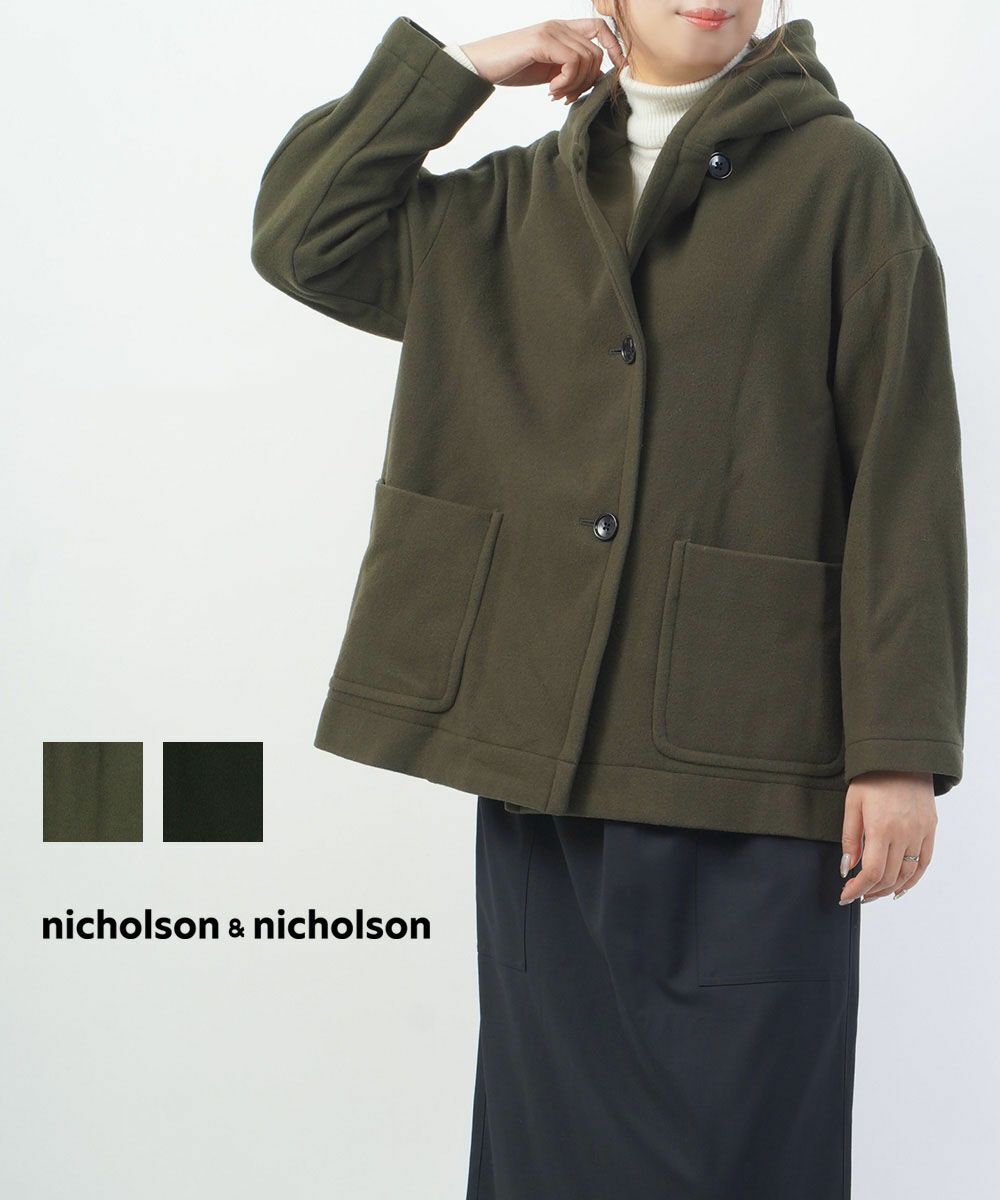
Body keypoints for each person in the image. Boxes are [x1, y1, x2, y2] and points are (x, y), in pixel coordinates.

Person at [250, 4, 968, 1196]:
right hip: (546, 760)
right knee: (550, 1156)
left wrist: (898, 752)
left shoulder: (843, 179)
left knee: (748, 1152)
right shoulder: (511, 203)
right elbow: (306, 239)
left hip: (751, 760)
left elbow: (904, 466)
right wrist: (459, 72)